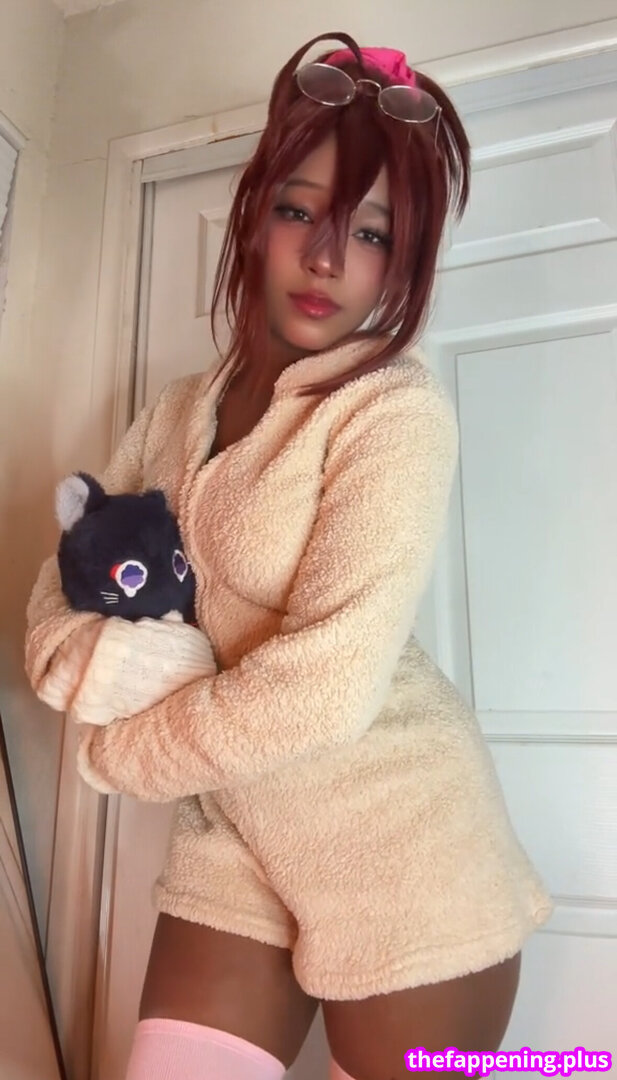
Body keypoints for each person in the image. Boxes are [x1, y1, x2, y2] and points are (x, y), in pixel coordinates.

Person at [25, 32, 553, 1080]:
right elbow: (66, 576)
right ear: (253, 215)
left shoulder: (391, 410)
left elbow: (324, 691)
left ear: (401, 260)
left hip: (400, 844)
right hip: (233, 838)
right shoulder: (175, 411)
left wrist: (112, 754)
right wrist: (68, 658)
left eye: (370, 231)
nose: (325, 258)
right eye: (299, 212)